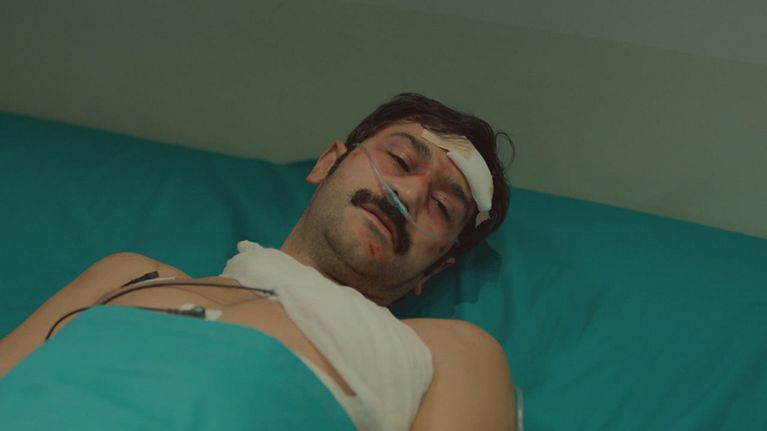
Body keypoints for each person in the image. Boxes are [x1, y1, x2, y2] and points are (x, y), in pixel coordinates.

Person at [0, 93, 517, 430]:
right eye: (400, 160)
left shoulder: (446, 351)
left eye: (441, 206)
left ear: (434, 270)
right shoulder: (128, 276)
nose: (409, 193)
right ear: (328, 163)